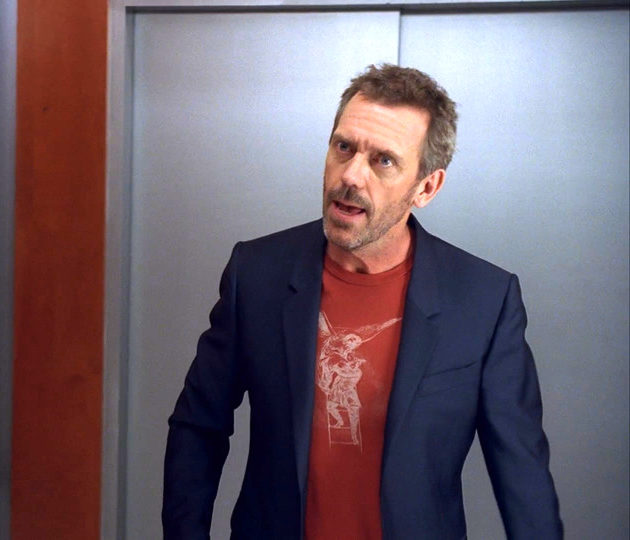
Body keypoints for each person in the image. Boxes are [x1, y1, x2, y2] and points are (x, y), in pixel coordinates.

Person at [162, 64, 562, 539]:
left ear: (427, 187)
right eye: (344, 147)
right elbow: (198, 424)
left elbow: (521, 472)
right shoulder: (257, 273)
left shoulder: (484, 300)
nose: (351, 175)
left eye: (383, 161)